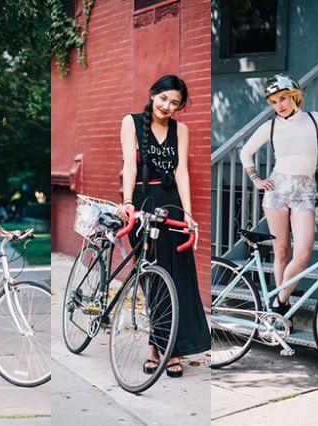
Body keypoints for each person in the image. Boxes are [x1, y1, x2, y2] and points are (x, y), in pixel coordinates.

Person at [239, 73, 318, 330]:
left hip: (305, 191)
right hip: (277, 191)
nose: (280, 105)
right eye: (274, 102)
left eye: (283, 99)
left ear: (294, 95)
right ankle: (279, 313)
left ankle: (278, 303)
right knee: (281, 251)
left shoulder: (313, 119)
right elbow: (245, 152)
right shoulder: (271, 126)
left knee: (303, 253)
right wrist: (256, 179)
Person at [119, 75, 211, 377]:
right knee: (154, 278)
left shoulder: (181, 130)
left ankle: (174, 348)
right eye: (163, 99)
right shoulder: (131, 123)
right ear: (153, 94)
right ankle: (156, 347)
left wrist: (188, 213)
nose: (167, 106)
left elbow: (182, 171)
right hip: (143, 202)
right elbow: (129, 167)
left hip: (171, 203)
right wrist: (129, 202)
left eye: (175, 103)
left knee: (178, 277)